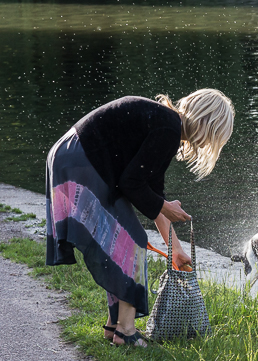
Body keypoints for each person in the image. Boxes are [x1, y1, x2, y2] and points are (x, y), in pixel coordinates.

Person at [46, 89, 235, 347]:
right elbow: (132, 184)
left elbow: (151, 193)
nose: (211, 144)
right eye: (216, 136)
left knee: (122, 239)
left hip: (71, 152)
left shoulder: (165, 124)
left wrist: (175, 249)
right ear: (208, 124)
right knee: (133, 240)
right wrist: (164, 206)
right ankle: (126, 332)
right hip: (80, 157)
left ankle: (115, 325)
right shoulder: (168, 128)